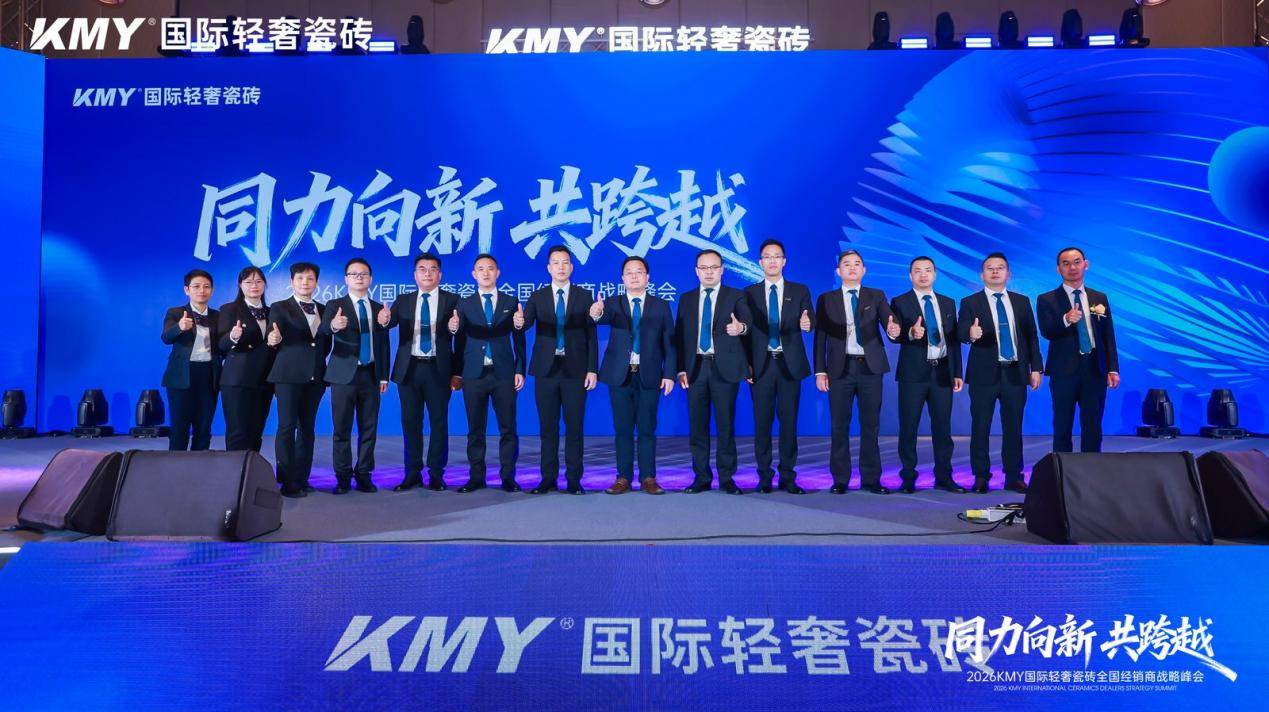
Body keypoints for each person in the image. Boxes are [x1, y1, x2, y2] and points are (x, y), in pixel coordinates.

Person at [813, 249, 902, 494]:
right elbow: (820, 337)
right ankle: (840, 479)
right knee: (839, 425)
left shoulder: (876, 295)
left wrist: (894, 330)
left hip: (870, 368)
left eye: (857, 264)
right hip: (839, 369)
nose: (852, 267)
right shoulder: (826, 299)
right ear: (838, 271)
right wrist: (820, 371)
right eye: (847, 264)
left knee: (870, 425)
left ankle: (871, 479)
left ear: (864, 270)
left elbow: (890, 322)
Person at [515, 246, 598, 495]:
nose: (561, 267)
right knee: (547, 428)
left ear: (571, 267)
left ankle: (574, 479)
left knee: (574, 428)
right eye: (556, 263)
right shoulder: (537, 296)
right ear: (548, 268)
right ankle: (548, 478)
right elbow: (525, 324)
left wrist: (592, 369)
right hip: (546, 371)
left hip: (576, 370)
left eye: (565, 263)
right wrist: (518, 322)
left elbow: (591, 336)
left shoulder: (584, 296)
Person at [958, 252, 1043, 494]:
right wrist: (970, 334)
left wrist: (1036, 368)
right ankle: (981, 476)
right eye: (990, 268)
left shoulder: (1022, 302)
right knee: (980, 427)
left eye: (1000, 267)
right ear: (982, 274)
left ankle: (1014, 476)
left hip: (1015, 373)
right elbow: (961, 332)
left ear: (1008, 274)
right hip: (983, 375)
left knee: (1013, 427)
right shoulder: (970, 302)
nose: (995, 271)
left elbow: (1032, 337)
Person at [589, 256, 676, 495]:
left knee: (647, 429)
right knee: (623, 429)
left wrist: (669, 373)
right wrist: (596, 313)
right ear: (622, 278)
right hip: (620, 375)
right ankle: (623, 478)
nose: (634, 276)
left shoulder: (660, 305)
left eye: (639, 272)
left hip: (650, 374)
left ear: (648, 277)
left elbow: (669, 342)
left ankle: (648, 478)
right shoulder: (612, 303)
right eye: (629, 272)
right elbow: (600, 317)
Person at [377, 253, 462, 491]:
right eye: (422, 269)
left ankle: (436, 474)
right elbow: (388, 323)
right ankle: (412, 473)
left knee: (439, 423)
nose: (427, 273)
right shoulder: (404, 300)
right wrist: (384, 319)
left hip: (439, 369)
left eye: (432, 269)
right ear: (415, 275)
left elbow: (461, 336)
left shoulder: (453, 300)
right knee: (410, 423)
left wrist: (457, 372)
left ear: (440, 275)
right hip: (410, 369)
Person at [675, 249, 752, 494]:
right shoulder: (686, 299)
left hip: (724, 369)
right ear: (696, 271)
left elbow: (748, 324)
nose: (709, 272)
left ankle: (727, 478)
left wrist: (740, 328)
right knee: (698, 426)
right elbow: (679, 337)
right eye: (704, 268)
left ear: (722, 270)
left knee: (725, 425)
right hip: (695, 369)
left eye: (714, 267)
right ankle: (701, 477)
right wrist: (680, 369)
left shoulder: (736, 296)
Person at [742, 239, 814, 494]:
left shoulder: (800, 290)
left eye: (776, 256)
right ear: (760, 262)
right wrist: (746, 366)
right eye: (767, 256)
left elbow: (809, 318)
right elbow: (744, 334)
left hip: (789, 365)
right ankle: (764, 476)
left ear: (784, 261)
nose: (772, 261)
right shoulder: (749, 293)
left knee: (789, 424)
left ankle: (788, 476)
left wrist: (808, 324)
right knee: (762, 424)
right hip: (761, 367)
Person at [889, 256, 965, 494]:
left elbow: (953, 341)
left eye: (928, 270)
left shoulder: (948, 302)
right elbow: (896, 334)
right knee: (909, 427)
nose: (923, 274)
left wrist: (957, 372)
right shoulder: (900, 301)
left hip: (942, 372)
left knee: (942, 427)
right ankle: (908, 477)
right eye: (918, 271)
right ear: (910, 275)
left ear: (935, 274)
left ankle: (944, 476)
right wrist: (911, 333)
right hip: (913, 374)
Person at [453, 254, 526, 492]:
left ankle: (508, 477)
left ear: (498, 273)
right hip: (473, 374)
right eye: (481, 269)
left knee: (508, 428)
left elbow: (519, 339)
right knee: (475, 429)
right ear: (473, 274)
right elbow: (459, 342)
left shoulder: (510, 301)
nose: (486, 273)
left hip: (503, 373)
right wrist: (457, 373)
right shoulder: (464, 304)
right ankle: (476, 477)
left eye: (490, 268)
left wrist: (520, 369)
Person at [1036, 247, 1120, 453]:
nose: (1072, 267)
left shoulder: (1099, 298)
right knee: (1062, 424)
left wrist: (1112, 368)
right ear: (1058, 269)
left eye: (1076, 262)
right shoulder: (1047, 299)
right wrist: (1066, 319)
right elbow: (1047, 331)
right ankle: (1062, 468)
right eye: (1065, 263)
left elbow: (1108, 336)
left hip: (1094, 369)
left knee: (1093, 425)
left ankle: (1090, 467)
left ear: (1085, 264)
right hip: (1063, 371)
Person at [320, 258, 391, 495]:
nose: (359, 278)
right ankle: (342, 477)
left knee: (368, 428)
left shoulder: (379, 308)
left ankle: (364, 475)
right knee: (342, 429)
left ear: (371, 279)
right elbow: (323, 330)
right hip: (343, 376)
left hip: (370, 375)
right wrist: (334, 325)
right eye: (354, 274)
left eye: (363, 274)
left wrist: (383, 376)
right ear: (346, 279)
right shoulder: (335, 305)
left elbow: (383, 345)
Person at [266, 262, 331, 498]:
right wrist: (273, 339)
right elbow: (272, 335)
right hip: (288, 376)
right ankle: (286, 480)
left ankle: (302, 478)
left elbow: (325, 344)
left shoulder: (325, 309)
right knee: (287, 427)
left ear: (316, 282)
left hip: (315, 377)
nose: (305, 283)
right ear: (292, 282)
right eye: (300, 278)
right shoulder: (280, 307)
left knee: (307, 429)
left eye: (310, 278)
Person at [161, 269, 221, 451]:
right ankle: (176, 466)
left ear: (212, 290)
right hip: (182, 376)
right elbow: (166, 338)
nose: (202, 290)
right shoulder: (176, 312)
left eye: (206, 287)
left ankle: (200, 465)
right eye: (196, 286)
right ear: (187, 290)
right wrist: (179, 327)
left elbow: (223, 346)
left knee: (204, 428)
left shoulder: (218, 316)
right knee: (179, 428)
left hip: (209, 375)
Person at [217, 266, 274, 453]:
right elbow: (221, 345)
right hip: (237, 380)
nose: (254, 286)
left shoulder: (272, 311)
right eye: (248, 282)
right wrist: (233, 336)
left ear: (264, 284)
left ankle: (251, 469)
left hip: (264, 380)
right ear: (240, 285)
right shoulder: (229, 309)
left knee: (256, 431)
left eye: (258, 281)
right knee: (238, 433)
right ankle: (235, 471)